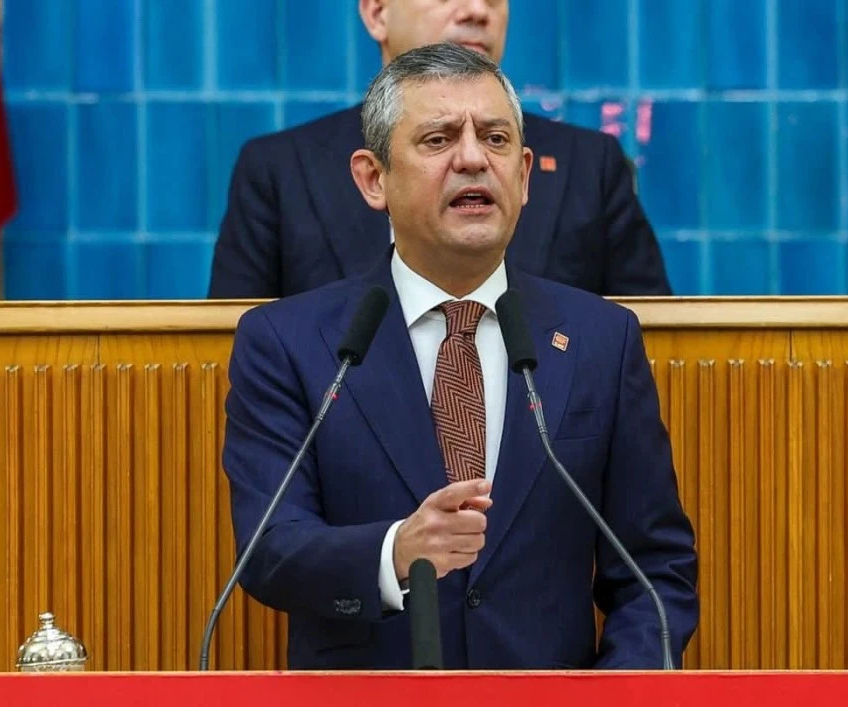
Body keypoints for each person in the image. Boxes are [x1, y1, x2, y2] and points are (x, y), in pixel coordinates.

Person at [221, 44, 698, 670]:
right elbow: (270, 548)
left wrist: (617, 693)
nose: (473, 159)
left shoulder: (600, 339)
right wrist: (396, 552)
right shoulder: (289, 342)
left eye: (495, 139)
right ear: (373, 179)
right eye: (439, 139)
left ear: (523, 175)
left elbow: (654, 569)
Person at [207, 0, 672, 299]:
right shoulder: (280, 170)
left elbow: (653, 340)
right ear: (376, 12)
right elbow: (233, 348)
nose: (477, 11)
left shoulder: (589, 165)